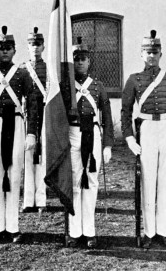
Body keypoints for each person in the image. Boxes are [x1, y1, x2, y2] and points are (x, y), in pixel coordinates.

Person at [121, 30, 166, 250]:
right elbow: (125, 111)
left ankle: (164, 231)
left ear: (160, 53)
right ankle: (149, 232)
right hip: (146, 129)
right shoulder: (133, 80)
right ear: (141, 54)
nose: (151, 56)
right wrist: (129, 137)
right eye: (147, 52)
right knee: (148, 182)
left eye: (155, 52)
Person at [0, 26, 37, 244]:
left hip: (16, 123)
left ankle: (13, 226)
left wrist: (32, 132)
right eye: (1, 48)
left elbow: (33, 103)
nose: (5, 51)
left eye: (8, 47)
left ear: (15, 50)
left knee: (14, 173)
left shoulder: (23, 73)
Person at [67, 37, 114, 249]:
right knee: (75, 181)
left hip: (93, 134)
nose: (80, 63)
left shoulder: (98, 86)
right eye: (76, 59)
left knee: (91, 181)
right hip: (73, 133)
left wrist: (107, 145)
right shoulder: (65, 86)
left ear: (89, 62)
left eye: (83, 59)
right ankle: (74, 230)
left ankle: (90, 231)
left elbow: (107, 118)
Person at [21, 27, 47, 214]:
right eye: (32, 44)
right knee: (28, 155)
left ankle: (41, 199)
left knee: (42, 156)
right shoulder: (23, 69)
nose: (35, 48)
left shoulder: (49, 68)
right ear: (27, 46)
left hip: (44, 113)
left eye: (38, 44)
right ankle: (28, 199)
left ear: (43, 46)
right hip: (28, 115)